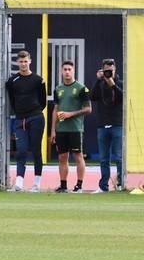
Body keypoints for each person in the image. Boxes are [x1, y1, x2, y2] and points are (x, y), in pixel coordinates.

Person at [5, 50, 47, 192]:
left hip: (36, 118)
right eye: (21, 61)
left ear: (30, 61)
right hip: (19, 119)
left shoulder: (38, 80)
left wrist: (34, 111)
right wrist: (20, 113)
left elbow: (43, 102)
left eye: (25, 61)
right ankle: (19, 183)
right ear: (18, 62)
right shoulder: (12, 81)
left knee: (36, 150)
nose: (23, 64)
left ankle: (36, 183)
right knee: (21, 150)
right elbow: (12, 99)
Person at [50, 61, 92, 193]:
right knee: (62, 157)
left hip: (75, 129)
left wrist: (70, 114)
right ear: (61, 72)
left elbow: (88, 109)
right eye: (65, 69)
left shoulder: (81, 88)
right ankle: (63, 186)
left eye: (69, 69)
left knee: (78, 155)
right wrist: (52, 130)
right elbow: (55, 110)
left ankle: (79, 185)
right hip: (61, 129)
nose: (67, 72)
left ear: (73, 71)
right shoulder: (58, 89)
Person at [90, 58, 124, 193]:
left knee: (118, 156)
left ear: (115, 70)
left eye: (111, 70)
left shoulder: (120, 82)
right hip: (102, 125)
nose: (109, 73)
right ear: (102, 70)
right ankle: (103, 186)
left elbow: (123, 97)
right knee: (104, 158)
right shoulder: (100, 83)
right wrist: (98, 80)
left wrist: (113, 84)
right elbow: (92, 97)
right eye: (106, 71)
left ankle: (121, 183)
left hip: (117, 124)